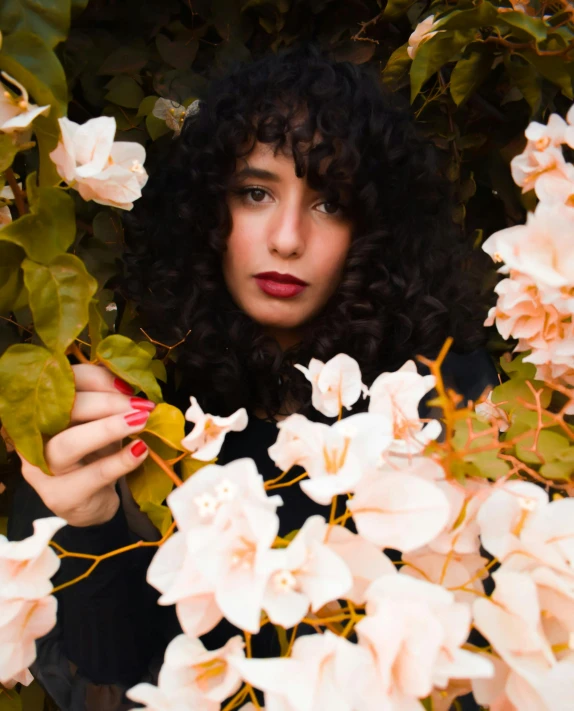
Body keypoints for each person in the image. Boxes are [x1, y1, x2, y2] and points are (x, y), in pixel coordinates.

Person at [8, 43, 500, 711]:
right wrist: (91, 521)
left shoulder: (445, 391)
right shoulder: (135, 396)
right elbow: (113, 674)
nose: (288, 237)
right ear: (212, 207)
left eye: (329, 202)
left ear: (373, 230)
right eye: (257, 192)